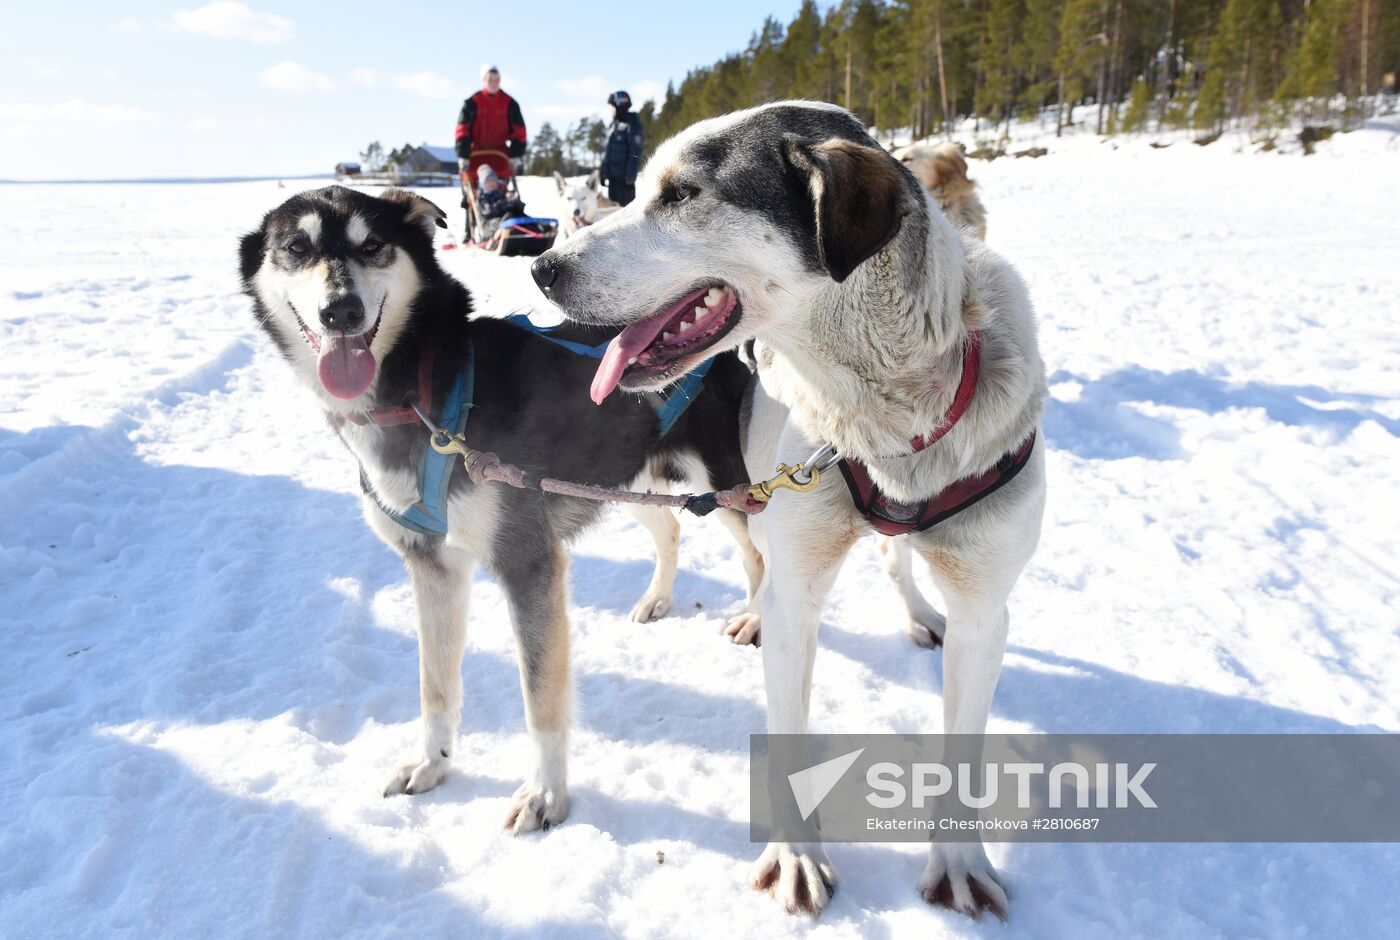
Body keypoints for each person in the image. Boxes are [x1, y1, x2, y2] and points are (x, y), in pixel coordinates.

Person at [455, 65, 527, 184]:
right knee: (470, 181)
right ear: (483, 80)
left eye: (496, 80)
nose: (494, 83)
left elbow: (519, 131)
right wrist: (463, 155)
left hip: (501, 154)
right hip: (475, 154)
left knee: (501, 182)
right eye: (490, 80)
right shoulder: (472, 103)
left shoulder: (510, 103)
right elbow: (462, 130)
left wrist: (515, 154)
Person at [601, 90, 644, 206]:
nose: (611, 109)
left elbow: (635, 151)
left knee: (624, 211)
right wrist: (603, 171)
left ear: (620, 105)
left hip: (624, 181)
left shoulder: (632, 123)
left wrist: (630, 176)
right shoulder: (613, 125)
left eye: (613, 106)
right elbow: (608, 152)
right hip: (613, 180)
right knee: (613, 210)